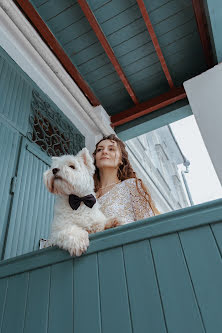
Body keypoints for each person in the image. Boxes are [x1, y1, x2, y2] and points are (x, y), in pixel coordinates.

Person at [93, 134, 160, 225]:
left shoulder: (131, 185)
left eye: (111, 149)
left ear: (121, 159)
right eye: (99, 149)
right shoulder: (89, 196)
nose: (104, 152)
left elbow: (149, 224)